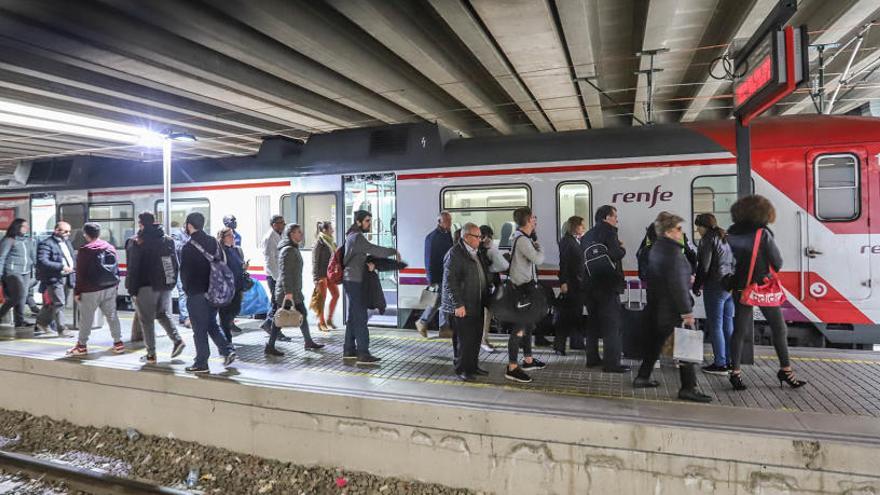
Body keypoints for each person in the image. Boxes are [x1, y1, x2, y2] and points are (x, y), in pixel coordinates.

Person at [727, 195, 806, 391]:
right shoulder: (763, 234)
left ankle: (735, 373)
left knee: (739, 330)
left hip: (740, 287)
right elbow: (777, 263)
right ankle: (786, 371)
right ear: (763, 213)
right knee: (779, 329)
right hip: (761, 287)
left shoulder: (730, 233)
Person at [634, 213, 712, 403]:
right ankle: (688, 387)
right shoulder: (674, 254)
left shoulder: (657, 249)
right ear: (669, 231)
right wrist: (687, 312)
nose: (681, 231)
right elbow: (677, 285)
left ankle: (642, 376)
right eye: (678, 228)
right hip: (672, 309)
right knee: (687, 347)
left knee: (656, 343)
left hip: (657, 306)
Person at [126, 212, 186, 364]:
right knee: (161, 314)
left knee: (146, 320)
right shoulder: (167, 239)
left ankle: (151, 354)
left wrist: (131, 289)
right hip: (165, 286)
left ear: (141, 223)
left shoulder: (137, 241)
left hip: (145, 285)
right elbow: (173, 263)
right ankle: (177, 340)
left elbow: (134, 267)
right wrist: (171, 284)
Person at [180, 212, 236, 373]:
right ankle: (227, 350)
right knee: (211, 323)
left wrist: (187, 290)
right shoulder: (213, 241)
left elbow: (185, 273)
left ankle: (201, 362)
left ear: (189, 225)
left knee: (199, 330)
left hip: (197, 293)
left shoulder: (188, 247)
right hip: (214, 292)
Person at [343, 210, 399, 364]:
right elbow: (374, 249)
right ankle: (363, 352)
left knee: (354, 316)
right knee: (360, 316)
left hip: (352, 279)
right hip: (354, 281)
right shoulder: (357, 237)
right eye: (367, 221)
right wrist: (393, 251)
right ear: (359, 222)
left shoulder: (352, 235)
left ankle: (348, 349)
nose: (370, 224)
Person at [441, 222, 491, 381]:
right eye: (477, 237)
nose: (480, 239)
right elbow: (450, 282)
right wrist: (458, 304)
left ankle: (473, 366)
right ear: (467, 237)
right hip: (463, 305)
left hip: (477, 302)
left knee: (475, 338)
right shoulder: (455, 254)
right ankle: (462, 369)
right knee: (464, 340)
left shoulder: (476, 252)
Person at [582, 205, 629, 373]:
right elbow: (615, 254)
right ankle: (612, 363)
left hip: (590, 286)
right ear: (607, 217)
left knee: (593, 324)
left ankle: (592, 359)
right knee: (612, 325)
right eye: (615, 216)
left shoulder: (587, 235)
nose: (616, 220)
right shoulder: (610, 232)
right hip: (607, 286)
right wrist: (622, 248)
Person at [66, 222, 124, 356]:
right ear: (99, 233)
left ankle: (81, 346)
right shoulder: (109, 247)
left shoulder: (85, 250)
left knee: (86, 319)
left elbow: (80, 273)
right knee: (112, 316)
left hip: (90, 290)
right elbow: (115, 268)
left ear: (85, 234)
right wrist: (115, 285)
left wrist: (77, 291)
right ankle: (118, 343)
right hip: (109, 287)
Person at [504, 207, 547, 384]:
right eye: (534, 218)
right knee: (519, 329)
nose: (535, 220)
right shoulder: (522, 240)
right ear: (529, 220)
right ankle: (512, 367)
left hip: (525, 289)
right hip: (520, 291)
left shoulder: (523, 239)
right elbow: (538, 259)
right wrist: (540, 248)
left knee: (528, 325)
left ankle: (528, 360)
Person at [270, 223, 325, 356]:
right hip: (287, 292)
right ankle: (270, 346)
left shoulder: (293, 248)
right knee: (280, 319)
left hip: (293, 291)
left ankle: (308, 341)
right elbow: (285, 273)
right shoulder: (288, 250)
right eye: (299, 232)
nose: (301, 234)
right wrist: (288, 293)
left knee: (301, 314)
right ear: (291, 234)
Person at [693, 213, 735, 375]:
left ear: (704, 226)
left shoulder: (707, 240)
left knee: (716, 325)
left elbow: (703, 266)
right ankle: (731, 361)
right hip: (728, 286)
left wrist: (697, 286)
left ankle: (720, 364)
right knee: (727, 324)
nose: (698, 230)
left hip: (715, 286)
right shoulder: (725, 237)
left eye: (698, 227)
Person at [416, 212, 453, 339]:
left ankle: (428, 324)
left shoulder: (447, 234)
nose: (449, 223)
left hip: (446, 274)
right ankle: (437, 326)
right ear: (439, 222)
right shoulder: (432, 237)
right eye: (447, 221)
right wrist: (431, 279)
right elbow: (429, 259)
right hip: (438, 275)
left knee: (440, 302)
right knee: (440, 301)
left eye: (450, 220)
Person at [35, 221, 75, 337]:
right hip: (54, 278)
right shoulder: (46, 244)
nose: (68, 234)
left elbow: (71, 257)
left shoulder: (67, 242)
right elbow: (43, 261)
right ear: (56, 231)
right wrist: (61, 267)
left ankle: (41, 323)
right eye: (65, 231)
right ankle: (62, 329)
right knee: (59, 303)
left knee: (55, 303)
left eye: (69, 231)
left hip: (67, 277)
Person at [557, 216, 588, 356]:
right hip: (572, 284)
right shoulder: (567, 242)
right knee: (567, 316)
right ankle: (559, 346)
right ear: (575, 226)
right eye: (582, 226)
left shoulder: (574, 240)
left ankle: (577, 342)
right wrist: (563, 282)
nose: (584, 228)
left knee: (576, 314)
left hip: (577, 284)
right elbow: (564, 263)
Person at [260, 215, 291, 342]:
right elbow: (270, 261)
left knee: (277, 303)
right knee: (277, 303)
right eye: (280, 223)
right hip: (274, 277)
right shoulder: (269, 238)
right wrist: (278, 278)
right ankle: (273, 328)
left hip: (279, 276)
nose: (283, 225)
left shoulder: (280, 235)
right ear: (274, 224)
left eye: (284, 223)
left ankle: (269, 324)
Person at [0, 219, 35, 328]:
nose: (27, 228)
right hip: (13, 272)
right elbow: (2, 258)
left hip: (26, 272)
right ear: (17, 227)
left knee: (23, 296)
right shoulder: (9, 240)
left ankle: (19, 321)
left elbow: (31, 256)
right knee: (17, 296)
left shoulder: (28, 240)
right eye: (24, 226)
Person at [478, 225, 507, 353]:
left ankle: (484, 338)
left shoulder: (490, 249)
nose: (488, 239)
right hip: (480, 289)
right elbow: (486, 267)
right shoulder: (478, 251)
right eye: (484, 236)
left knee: (487, 314)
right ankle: (482, 340)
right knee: (484, 315)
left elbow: (498, 267)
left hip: (488, 288)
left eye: (490, 236)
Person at [217, 227, 246, 344]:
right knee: (225, 314)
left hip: (237, 286)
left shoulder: (237, 250)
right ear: (223, 238)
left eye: (233, 235)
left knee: (236, 309)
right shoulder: (220, 251)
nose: (233, 237)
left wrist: (244, 267)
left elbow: (239, 265)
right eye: (230, 235)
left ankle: (225, 331)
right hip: (225, 288)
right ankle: (226, 340)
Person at [311, 221, 339, 332]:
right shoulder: (319, 243)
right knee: (321, 299)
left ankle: (329, 319)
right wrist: (315, 278)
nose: (333, 230)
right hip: (321, 274)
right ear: (324, 230)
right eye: (331, 228)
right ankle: (321, 323)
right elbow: (315, 261)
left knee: (336, 295)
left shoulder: (331, 242)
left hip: (330, 274)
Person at [170, 221, 190, 328]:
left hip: (189, 268)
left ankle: (186, 316)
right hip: (179, 268)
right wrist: (190, 243)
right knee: (183, 292)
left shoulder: (190, 235)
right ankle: (185, 316)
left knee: (188, 292)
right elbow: (177, 248)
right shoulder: (176, 234)